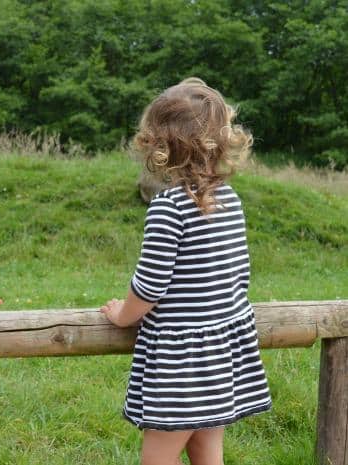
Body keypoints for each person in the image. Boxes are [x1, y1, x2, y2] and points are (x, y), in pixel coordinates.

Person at [100, 78, 272, 465]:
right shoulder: (229, 199)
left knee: (156, 460)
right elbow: (238, 276)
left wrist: (122, 315)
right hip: (223, 349)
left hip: (183, 360)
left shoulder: (169, 208)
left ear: (158, 146)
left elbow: (150, 285)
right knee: (207, 452)